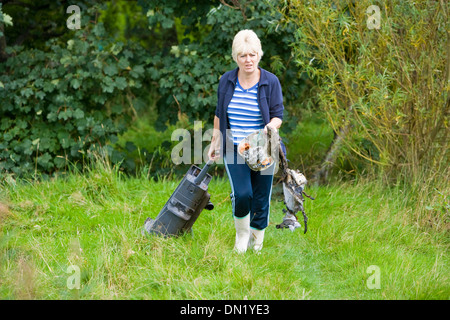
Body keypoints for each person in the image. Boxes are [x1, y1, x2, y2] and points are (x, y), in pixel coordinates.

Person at [208, 29, 284, 253]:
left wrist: (270, 127)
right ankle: (242, 236)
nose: (248, 60)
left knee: (261, 196)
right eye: (242, 55)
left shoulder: (271, 82)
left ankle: (256, 242)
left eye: (252, 54)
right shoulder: (226, 81)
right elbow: (219, 113)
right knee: (242, 193)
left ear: (259, 54)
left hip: (264, 148)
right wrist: (215, 140)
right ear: (235, 57)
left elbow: (278, 114)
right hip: (234, 147)